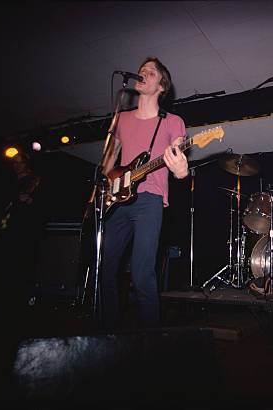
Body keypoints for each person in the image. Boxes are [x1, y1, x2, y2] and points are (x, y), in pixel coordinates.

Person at [100, 57, 188, 329]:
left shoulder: (172, 121)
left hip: (149, 200)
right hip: (117, 201)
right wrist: (111, 182)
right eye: (141, 71)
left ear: (162, 86)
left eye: (151, 72)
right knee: (105, 270)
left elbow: (178, 161)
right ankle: (106, 334)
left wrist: (181, 169)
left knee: (141, 273)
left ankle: (152, 340)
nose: (143, 74)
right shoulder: (121, 119)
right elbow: (107, 165)